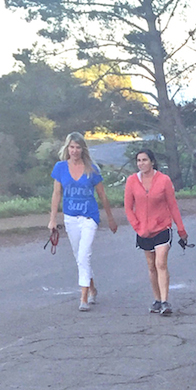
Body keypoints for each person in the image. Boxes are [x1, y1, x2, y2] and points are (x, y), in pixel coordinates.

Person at [48, 133, 117, 311]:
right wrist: (52, 219)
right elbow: (57, 193)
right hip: (71, 217)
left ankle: (83, 297)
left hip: (89, 217)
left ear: (83, 149)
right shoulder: (60, 167)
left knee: (84, 255)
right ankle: (92, 288)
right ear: (67, 148)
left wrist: (110, 218)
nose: (75, 151)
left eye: (78, 147)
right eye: (72, 147)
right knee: (79, 257)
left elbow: (102, 195)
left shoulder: (92, 169)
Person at [123, 148, 188, 316]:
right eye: (139, 160)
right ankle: (157, 300)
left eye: (145, 160)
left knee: (161, 263)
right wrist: (137, 226)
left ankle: (165, 301)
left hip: (162, 227)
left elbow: (172, 205)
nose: (141, 163)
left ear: (152, 162)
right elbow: (128, 208)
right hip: (143, 231)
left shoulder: (164, 180)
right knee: (151, 266)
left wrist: (181, 229)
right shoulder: (132, 181)